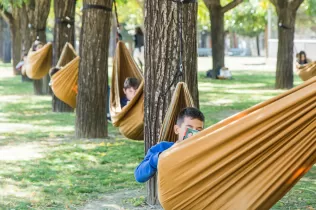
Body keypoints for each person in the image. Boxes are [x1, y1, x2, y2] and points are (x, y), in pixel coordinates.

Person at [134, 107, 205, 183]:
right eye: (189, 128)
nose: (193, 133)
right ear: (177, 130)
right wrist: (160, 156)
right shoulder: (163, 147)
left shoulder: (204, 151)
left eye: (198, 130)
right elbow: (139, 176)